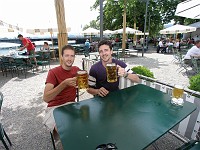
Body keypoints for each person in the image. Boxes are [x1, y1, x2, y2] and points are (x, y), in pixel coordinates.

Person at [43, 45, 80, 132]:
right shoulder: (53, 72)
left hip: (71, 105)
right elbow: (46, 98)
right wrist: (64, 84)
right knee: (63, 129)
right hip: (54, 108)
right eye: (67, 55)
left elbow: (86, 83)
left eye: (72, 56)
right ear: (62, 57)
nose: (69, 59)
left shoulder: (76, 70)